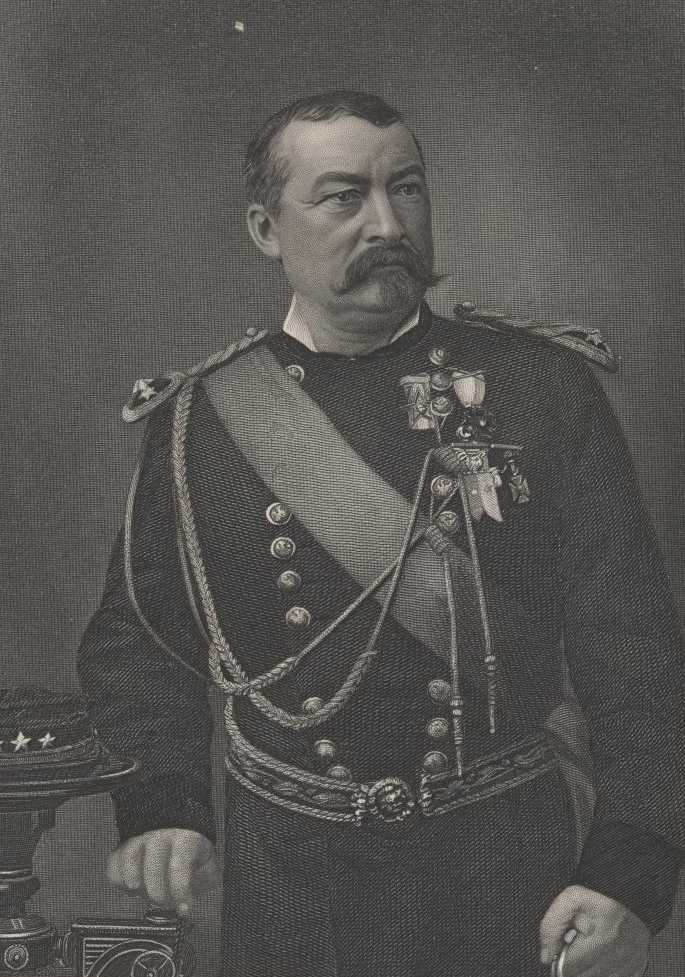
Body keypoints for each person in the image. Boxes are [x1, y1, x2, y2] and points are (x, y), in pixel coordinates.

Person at [78, 91, 684, 977]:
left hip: (503, 868)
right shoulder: (198, 420)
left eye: (405, 188)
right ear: (265, 229)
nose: (388, 224)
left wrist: (626, 869)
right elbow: (139, 643)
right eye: (343, 197)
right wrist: (164, 804)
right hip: (288, 880)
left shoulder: (539, 387)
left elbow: (634, 652)